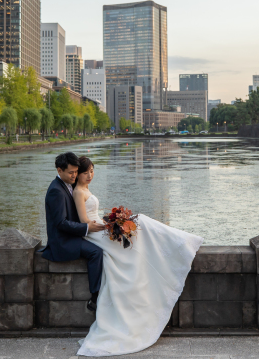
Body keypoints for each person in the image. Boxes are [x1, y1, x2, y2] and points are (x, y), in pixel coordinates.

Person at [72, 156, 203, 357]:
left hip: (101, 229)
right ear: (77, 174)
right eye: (85, 172)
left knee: (139, 224)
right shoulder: (78, 192)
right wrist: (109, 226)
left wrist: (112, 222)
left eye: (92, 171)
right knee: (140, 223)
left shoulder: (86, 188)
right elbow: (85, 222)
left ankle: (181, 242)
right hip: (94, 234)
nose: (90, 175)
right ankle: (180, 242)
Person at [41, 152, 106, 313]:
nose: (74, 175)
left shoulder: (68, 185)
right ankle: (95, 297)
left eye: (76, 172)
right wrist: (86, 228)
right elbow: (60, 223)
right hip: (62, 241)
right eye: (71, 172)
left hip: (73, 234)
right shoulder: (56, 191)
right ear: (59, 170)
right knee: (96, 252)